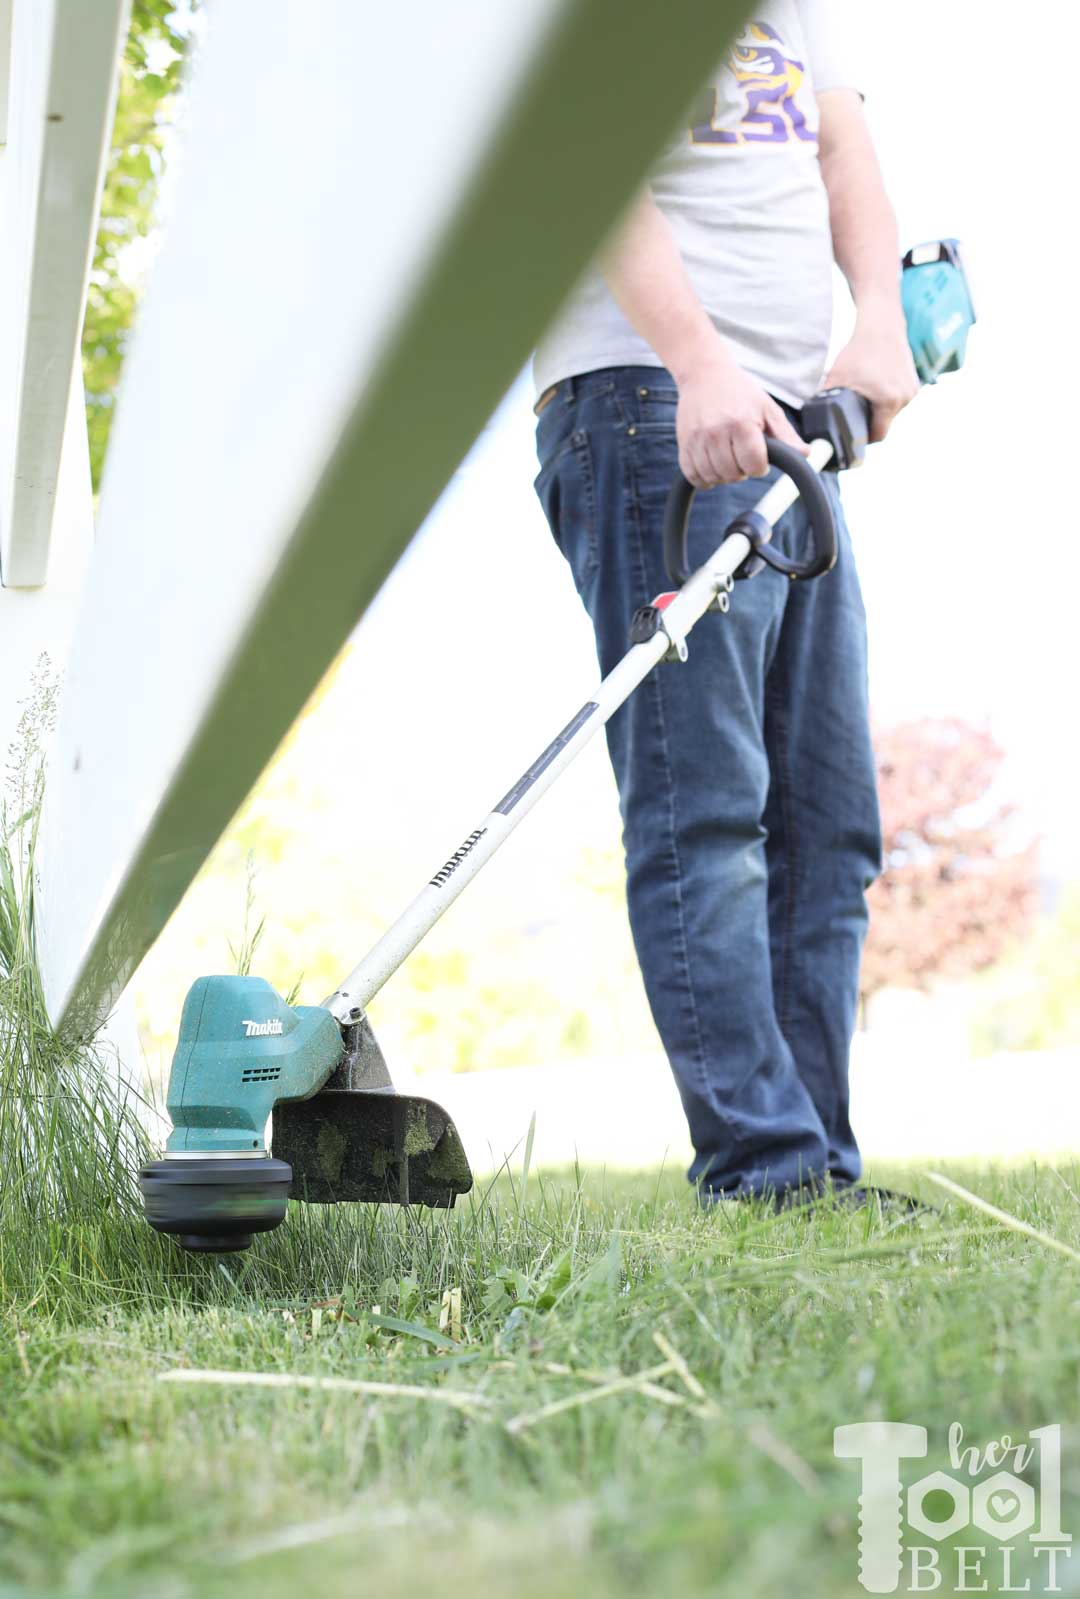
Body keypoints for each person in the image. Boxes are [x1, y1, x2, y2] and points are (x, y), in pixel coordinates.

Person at [532, 5, 918, 1205]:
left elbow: (842, 149)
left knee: (829, 821)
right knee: (706, 811)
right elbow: (579, 152)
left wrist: (882, 320)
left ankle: (818, 1166)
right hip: (659, 406)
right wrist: (699, 358)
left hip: (800, 427)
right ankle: (762, 1166)